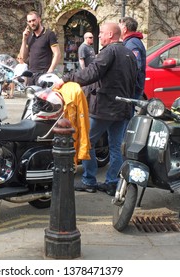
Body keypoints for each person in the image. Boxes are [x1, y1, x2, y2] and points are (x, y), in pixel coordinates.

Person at [54, 22, 137, 196]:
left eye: (103, 33)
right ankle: (112, 182)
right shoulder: (129, 53)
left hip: (105, 107)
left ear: (111, 35)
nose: (99, 36)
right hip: (122, 108)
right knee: (115, 147)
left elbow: (91, 72)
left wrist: (67, 79)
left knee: (87, 141)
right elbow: (134, 82)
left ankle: (89, 180)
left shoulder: (109, 52)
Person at [19, 10, 61, 85]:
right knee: (30, 96)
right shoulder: (29, 37)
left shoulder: (49, 34)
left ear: (39, 19)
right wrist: (24, 39)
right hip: (31, 74)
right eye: (29, 21)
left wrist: (50, 71)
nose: (32, 23)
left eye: (34, 20)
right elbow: (23, 57)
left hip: (44, 74)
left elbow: (57, 54)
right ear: (28, 23)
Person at [119, 17, 146, 101]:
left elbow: (135, 66)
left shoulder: (132, 43)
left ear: (125, 29)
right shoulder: (131, 42)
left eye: (119, 27)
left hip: (131, 89)